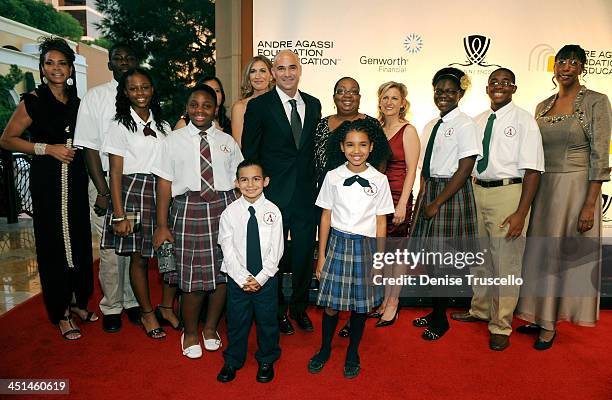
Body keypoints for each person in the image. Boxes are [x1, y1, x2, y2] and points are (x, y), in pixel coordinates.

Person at [515, 45, 611, 350]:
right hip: (543, 188)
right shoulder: (543, 105)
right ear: (554, 67)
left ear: (582, 67)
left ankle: (550, 324)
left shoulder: (597, 101)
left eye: (573, 62)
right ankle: (537, 313)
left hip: (575, 188)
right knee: (539, 253)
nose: (566, 67)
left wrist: (589, 204)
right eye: (561, 62)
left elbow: (600, 153)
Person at [0, 37, 94, 340]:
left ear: (70, 68)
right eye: (50, 62)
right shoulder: (34, 101)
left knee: (78, 240)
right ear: (42, 68)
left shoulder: (78, 103)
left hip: (76, 181)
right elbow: (7, 139)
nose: (56, 68)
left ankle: (78, 302)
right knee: (53, 244)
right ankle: (61, 312)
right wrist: (46, 149)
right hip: (47, 181)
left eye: (62, 63)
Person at [450, 68, 544, 351]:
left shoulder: (525, 121)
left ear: (514, 88)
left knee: (506, 263)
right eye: (494, 82)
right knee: (481, 258)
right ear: (487, 88)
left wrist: (521, 212)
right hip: (477, 190)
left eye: (505, 83)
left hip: (508, 193)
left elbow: (533, 171)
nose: (499, 86)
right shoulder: (477, 121)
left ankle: (501, 324)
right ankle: (479, 309)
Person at [152, 84, 243, 356]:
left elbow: (239, 181)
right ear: (187, 107)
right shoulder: (172, 141)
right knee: (192, 277)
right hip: (189, 209)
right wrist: (161, 225)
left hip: (224, 207)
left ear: (216, 109)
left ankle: (211, 327)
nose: (200, 110)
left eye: (207, 105)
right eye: (194, 104)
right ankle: (190, 332)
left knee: (223, 272)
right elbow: (164, 184)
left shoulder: (227, 142)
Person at [242, 49, 322, 335]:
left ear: (299, 70)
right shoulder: (259, 106)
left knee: (302, 255)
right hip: (273, 196)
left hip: (305, 195)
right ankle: (275, 311)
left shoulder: (313, 104)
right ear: (273, 73)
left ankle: (299, 308)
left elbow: (313, 151)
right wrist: (255, 193)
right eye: (281, 68)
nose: (287, 73)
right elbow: (250, 152)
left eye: (292, 67)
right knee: (272, 256)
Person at [308, 119, 395, 378]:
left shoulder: (379, 180)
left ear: (371, 148)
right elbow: (325, 217)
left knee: (360, 305)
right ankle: (324, 348)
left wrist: (379, 261)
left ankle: (352, 351)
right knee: (332, 305)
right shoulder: (333, 177)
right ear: (342, 147)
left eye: (362, 145)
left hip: (366, 248)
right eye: (350, 145)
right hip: (337, 244)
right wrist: (321, 257)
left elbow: (381, 222)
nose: (356, 150)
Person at [73, 42, 143, 333]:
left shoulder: (141, 97)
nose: (124, 62)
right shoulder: (95, 97)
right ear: (110, 64)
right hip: (103, 180)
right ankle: (111, 306)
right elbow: (89, 148)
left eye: (129, 57)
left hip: (136, 182)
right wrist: (102, 191)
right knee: (111, 248)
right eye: (118, 58)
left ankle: (131, 301)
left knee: (132, 245)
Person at [100, 68, 174, 339]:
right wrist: (118, 215)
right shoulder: (118, 125)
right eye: (133, 88)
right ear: (125, 92)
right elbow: (115, 174)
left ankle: (166, 307)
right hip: (131, 193)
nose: (140, 93)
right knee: (139, 257)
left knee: (165, 253)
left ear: (152, 89)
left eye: (144, 87)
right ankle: (146, 313)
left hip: (161, 192)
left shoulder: (163, 126)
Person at [411, 67, 481, 341]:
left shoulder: (465, 124)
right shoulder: (431, 124)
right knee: (428, 257)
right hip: (430, 190)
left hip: (450, 193)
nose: (443, 96)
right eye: (439, 91)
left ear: (460, 94)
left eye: (450, 91)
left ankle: (441, 319)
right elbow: (426, 166)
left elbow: (465, 168)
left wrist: (438, 202)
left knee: (443, 261)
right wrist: (423, 194)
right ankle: (434, 310)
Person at [216, 160, 284, 383]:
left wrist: (262, 277)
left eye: (256, 179)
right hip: (239, 280)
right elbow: (227, 249)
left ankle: (266, 358)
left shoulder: (273, 211)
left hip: (266, 279)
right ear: (236, 183)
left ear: (265, 181)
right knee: (236, 321)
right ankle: (233, 359)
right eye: (244, 180)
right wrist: (243, 278)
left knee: (267, 321)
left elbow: (277, 250)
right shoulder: (229, 213)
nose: (250, 184)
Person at [372, 81, 420, 327]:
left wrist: (402, 204)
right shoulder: (376, 129)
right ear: (380, 101)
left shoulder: (408, 131)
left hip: (398, 196)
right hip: (377, 199)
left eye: (394, 98)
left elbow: (412, 170)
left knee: (397, 253)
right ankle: (383, 300)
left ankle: (393, 302)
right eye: (385, 97)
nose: (389, 102)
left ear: (403, 102)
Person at [314, 76, 389, 189]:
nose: (347, 95)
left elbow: (382, 161)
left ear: (359, 97)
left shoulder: (371, 123)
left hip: (363, 191)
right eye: (341, 91)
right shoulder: (321, 124)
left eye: (353, 91)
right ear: (334, 97)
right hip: (325, 193)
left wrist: (370, 188)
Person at [231, 56, 274, 146]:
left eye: (262, 71)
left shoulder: (281, 104)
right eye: (253, 71)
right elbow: (239, 145)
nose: (257, 76)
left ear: (271, 76)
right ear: (248, 77)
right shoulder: (240, 107)